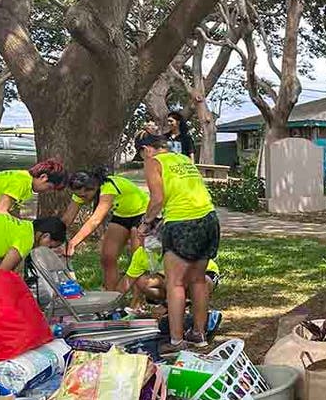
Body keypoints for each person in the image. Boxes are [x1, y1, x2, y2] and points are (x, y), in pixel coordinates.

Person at [137, 132, 219, 351]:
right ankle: (199, 335)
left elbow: (157, 200)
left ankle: (176, 340)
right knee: (198, 280)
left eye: (141, 155)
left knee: (175, 283)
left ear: (146, 149)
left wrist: (145, 224)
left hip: (182, 223)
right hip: (209, 219)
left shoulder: (153, 163)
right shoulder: (183, 159)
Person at [61, 168, 150, 290]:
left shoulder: (108, 187)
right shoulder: (80, 192)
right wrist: (55, 238)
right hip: (122, 215)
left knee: (137, 259)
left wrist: (73, 243)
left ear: (94, 188)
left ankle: (136, 304)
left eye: (84, 196)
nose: (82, 199)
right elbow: (66, 219)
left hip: (142, 213)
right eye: (78, 196)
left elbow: (95, 220)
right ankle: (111, 296)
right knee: (107, 257)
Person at [118, 237, 219, 311]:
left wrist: (166, 306)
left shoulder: (175, 251)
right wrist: (109, 302)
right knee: (141, 282)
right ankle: (175, 304)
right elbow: (127, 281)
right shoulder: (140, 253)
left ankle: (189, 304)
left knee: (201, 282)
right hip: (170, 279)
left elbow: (184, 280)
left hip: (202, 274)